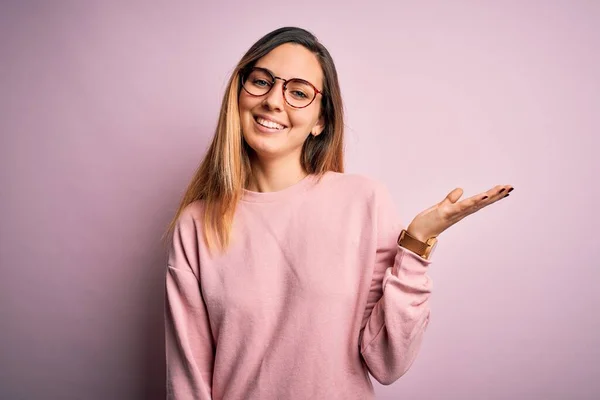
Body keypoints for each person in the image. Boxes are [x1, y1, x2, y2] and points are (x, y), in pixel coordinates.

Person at [163, 26, 513, 400]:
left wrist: (416, 244)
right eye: (261, 81)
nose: (274, 101)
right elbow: (188, 380)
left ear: (321, 121)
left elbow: (387, 362)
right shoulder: (196, 225)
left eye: (298, 92)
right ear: (239, 95)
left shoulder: (363, 201)